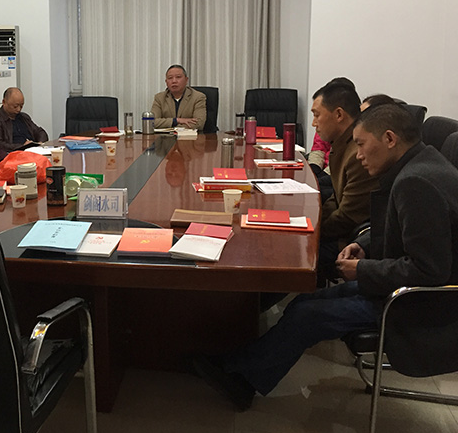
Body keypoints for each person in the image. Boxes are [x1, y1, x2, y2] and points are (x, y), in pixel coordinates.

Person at [193, 103, 458, 410]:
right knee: (304, 302)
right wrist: (364, 245)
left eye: (362, 145)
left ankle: (241, 379)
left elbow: (429, 270)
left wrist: (362, 269)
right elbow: (403, 229)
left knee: (308, 315)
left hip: (420, 304)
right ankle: (241, 366)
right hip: (403, 288)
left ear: (389, 139)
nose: (358, 155)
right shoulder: (421, 165)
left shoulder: (416, 183)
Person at [309, 80, 377, 283]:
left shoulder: (358, 153)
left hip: (350, 243)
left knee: (288, 255)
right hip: (341, 231)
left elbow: (348, 217)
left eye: (317, 115)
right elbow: (336, 197)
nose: (313, 123)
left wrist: (312, 233)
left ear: (339, 114)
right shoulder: (342, 143)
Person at [0, 87, 48, 161]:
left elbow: (40, 132)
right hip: (14, 155)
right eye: (15, 106)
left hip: (33, 152)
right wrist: (22, 146)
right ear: (4, 102)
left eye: (21, 106)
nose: (18, 109)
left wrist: (39, 143)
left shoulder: (24, 117)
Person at [151, 65, 206, 130]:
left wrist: (172, 128)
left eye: (178, 77)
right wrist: (176, 120)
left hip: (189, 136)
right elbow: (152, 122)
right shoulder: (159, 98)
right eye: (170, 78)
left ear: (186, 80)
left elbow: (199, 123)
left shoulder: (198, 97)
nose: (174, 81)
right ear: (166, 82)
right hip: (165, 136)